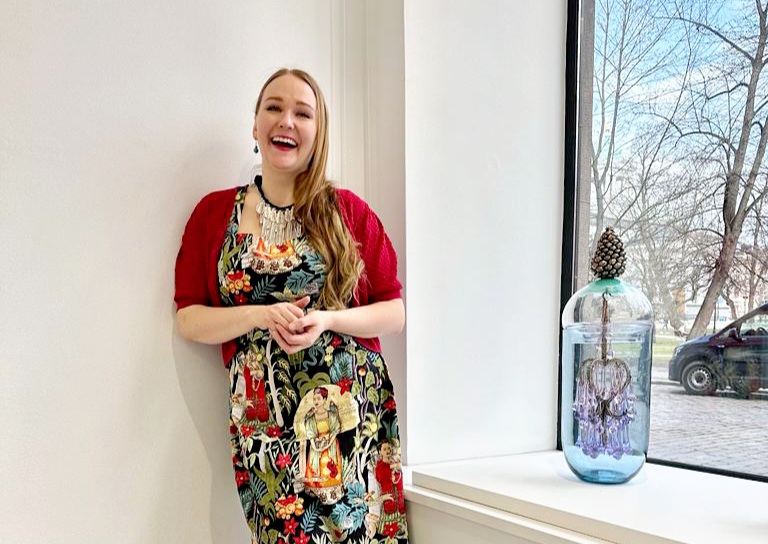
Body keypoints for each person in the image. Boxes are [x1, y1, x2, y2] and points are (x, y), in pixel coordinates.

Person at [174, 68, 408, 544]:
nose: (287, 121)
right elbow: (189, 318)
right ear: (255, 123)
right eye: (274, 107)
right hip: (267, 431)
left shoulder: (347, 212)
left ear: (318, 133)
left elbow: (393, 311)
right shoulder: (214, 214)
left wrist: (327, 320)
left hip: (351, 428)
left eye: (303, 113)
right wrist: (259, 315)